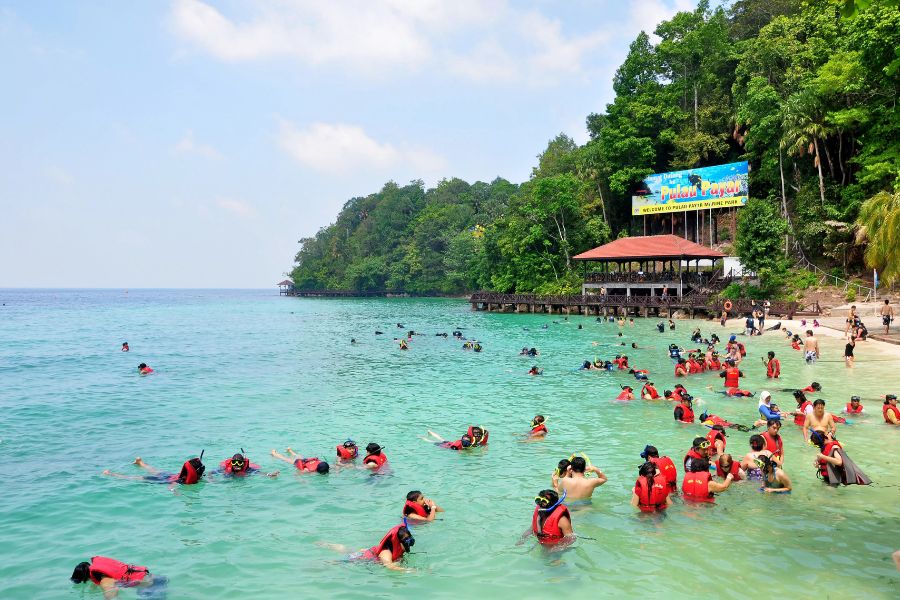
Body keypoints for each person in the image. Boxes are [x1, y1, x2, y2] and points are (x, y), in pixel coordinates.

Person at [328, 523, 417, 571]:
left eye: (409, 538)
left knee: (349, 550)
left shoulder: (399, 548)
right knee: (343, 561)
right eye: (406, 539)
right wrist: (408, 570)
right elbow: (390, 566)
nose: (409, 541)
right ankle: (326, 562)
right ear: (397, 542)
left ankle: (332, 546)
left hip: (371, 551)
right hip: (363, 558)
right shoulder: (386, 553)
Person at [71, 556, 167, 599]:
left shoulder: (105, 580)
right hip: (156, 578)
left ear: (86, 578)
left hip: (150, 588)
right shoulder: (100, 565)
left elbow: (112, 597)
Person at [103, 454, 205, 485]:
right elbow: (172, 486)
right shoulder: (183, 480)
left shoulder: (184, 476)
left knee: (155, 471)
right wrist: (175, 491)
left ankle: (140, 462)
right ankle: (111, 474)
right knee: (138, 478)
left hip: (170, 475)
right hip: (165, 480)